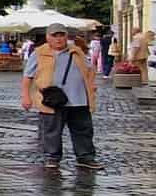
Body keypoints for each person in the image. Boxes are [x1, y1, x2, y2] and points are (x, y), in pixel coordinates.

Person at [21, 22, 103, 171]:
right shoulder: (39, 53)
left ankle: (85, 157)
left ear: (66, 36)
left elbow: (90, 70)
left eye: (61, 35)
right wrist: (26, 97)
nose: (58, 39)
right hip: (52, 100)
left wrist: (91, 86)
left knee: (83, 129)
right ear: (48, 37)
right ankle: (52, 157)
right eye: (54, 36)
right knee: (52, 130)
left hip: (79, 99)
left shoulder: (76, 51)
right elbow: (27, 77)